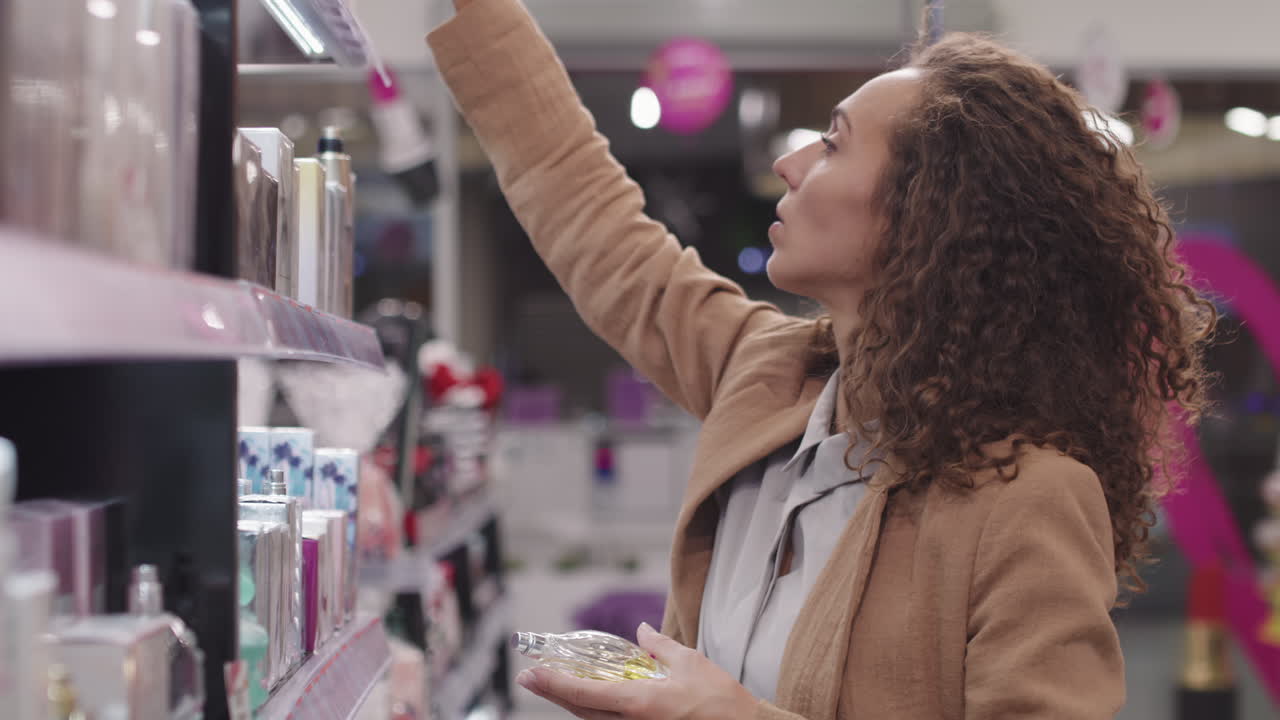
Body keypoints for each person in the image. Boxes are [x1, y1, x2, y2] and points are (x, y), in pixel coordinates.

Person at [427, 1, 1218, 718]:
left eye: (832, 145)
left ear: (925, 217)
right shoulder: (768, 378)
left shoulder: (1027, 500)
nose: (790, 165)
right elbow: (594, 222)